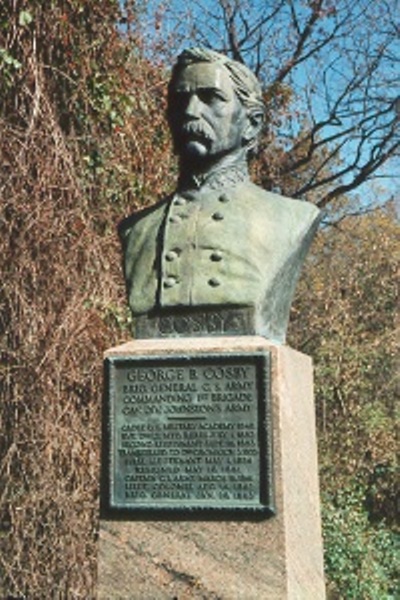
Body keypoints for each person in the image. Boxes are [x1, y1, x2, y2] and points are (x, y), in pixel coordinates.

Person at [119, 48, 321, 342]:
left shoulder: (293, 219)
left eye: (210, 98)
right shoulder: (137, 229)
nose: (190, 111)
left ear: (251, 123)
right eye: (179, 99)